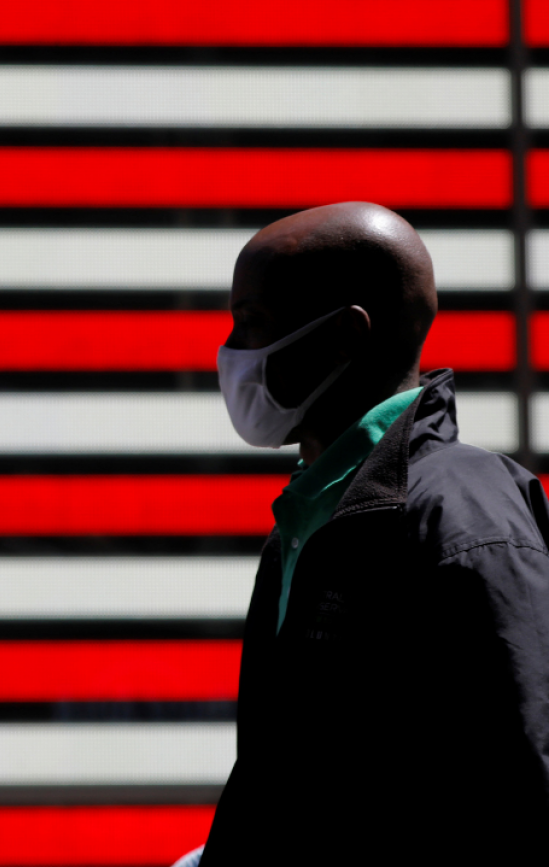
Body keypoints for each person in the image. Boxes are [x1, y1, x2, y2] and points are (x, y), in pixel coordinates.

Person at [190, 202, 549, 864]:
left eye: (253, 324)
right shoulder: (312, 516)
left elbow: (521, 787)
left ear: (341, 338)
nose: (232, 354)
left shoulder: (464, 518)